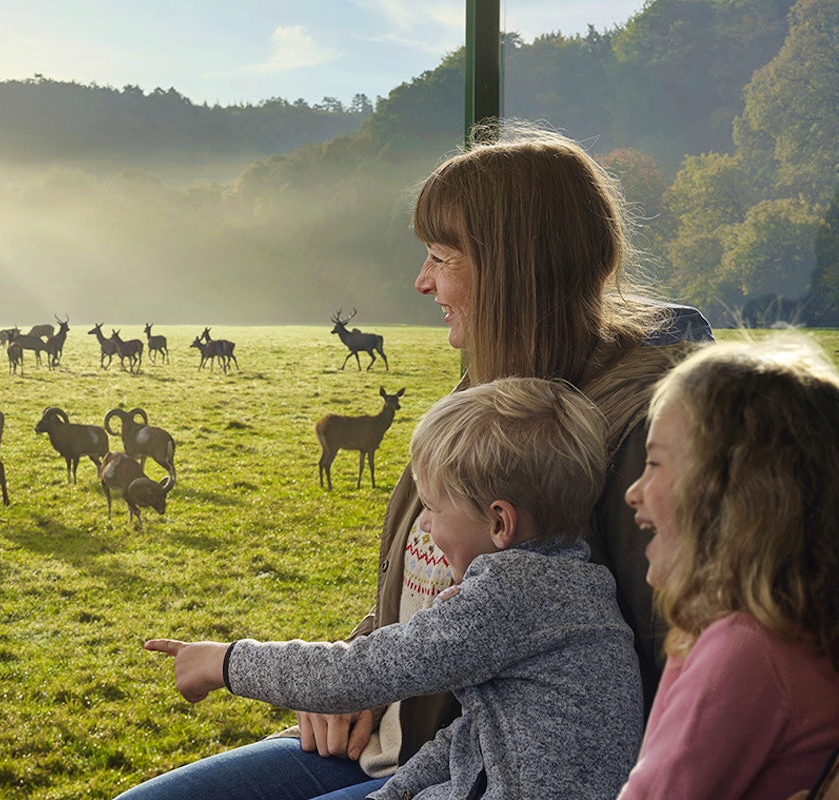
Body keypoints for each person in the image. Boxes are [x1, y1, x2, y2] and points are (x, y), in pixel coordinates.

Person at [115, 120, 712, 800]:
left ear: (513, 266)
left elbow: (659, 664)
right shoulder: (486, 391)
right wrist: (358, 666)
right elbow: (427, 588)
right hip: (391, 738)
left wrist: (342, 672)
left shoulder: (635, 434)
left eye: (442, 256)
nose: (422, 281)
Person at [148, 377, 644, 800]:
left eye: (432, 507)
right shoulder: (577, 586)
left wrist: (224, 661)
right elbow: (472, 739)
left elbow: (350, 675)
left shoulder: (512, 597)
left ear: (499, 522)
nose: (423, 526)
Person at [619, 336, 839, 799]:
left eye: (655, 463)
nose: (633, 492)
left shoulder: (745, 648)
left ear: (731, 496)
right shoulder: (794, 634)